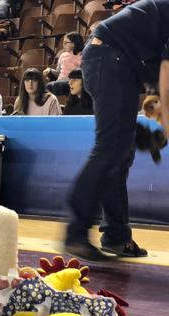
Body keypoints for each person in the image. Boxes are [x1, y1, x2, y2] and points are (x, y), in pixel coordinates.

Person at [64, 0, 169, 261]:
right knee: (110, 149)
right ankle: (75, 234)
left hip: (117, 62)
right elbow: (166, 72)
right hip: (111, 58)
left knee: (121, 153)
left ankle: (116, 236)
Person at [44, 32, 84, 96]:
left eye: (66, 43)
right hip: (60, 81)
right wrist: (50, 70)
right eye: (63, 42)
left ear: (74, 44)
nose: (63, 45)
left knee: (56, 85)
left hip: (72, 82)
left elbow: (82, 73)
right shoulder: (62, 55)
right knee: (47, 87)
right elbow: (58, 72)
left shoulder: (81, 55)